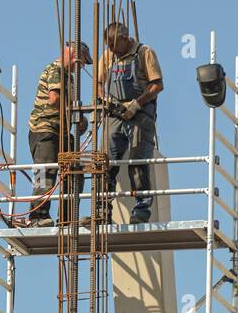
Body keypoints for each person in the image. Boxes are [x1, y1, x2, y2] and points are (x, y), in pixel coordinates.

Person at [98, 22, 164, 225]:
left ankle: (141, 211)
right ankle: (102, 211)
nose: (111, 51)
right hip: (115, 116)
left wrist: (136, 104)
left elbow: (157, 85)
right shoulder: (109, 56)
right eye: (108, 46)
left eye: (114, 46)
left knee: (137, 164)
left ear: (126, 40)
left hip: (139, 115)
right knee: (105, 163)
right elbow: (99, 84)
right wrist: (107, 101)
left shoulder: (144, 53)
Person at [26, 41, 92, 226]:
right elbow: (55, 99)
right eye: (83, 61)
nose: (83, 66)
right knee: (45, 170)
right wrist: (75, 115)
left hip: (60, 131)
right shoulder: (56, 70)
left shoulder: (68, 77)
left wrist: (78, 118)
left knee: (75, 171)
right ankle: (37, 216)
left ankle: (67, 217)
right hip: (45, 129)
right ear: (74, 55)